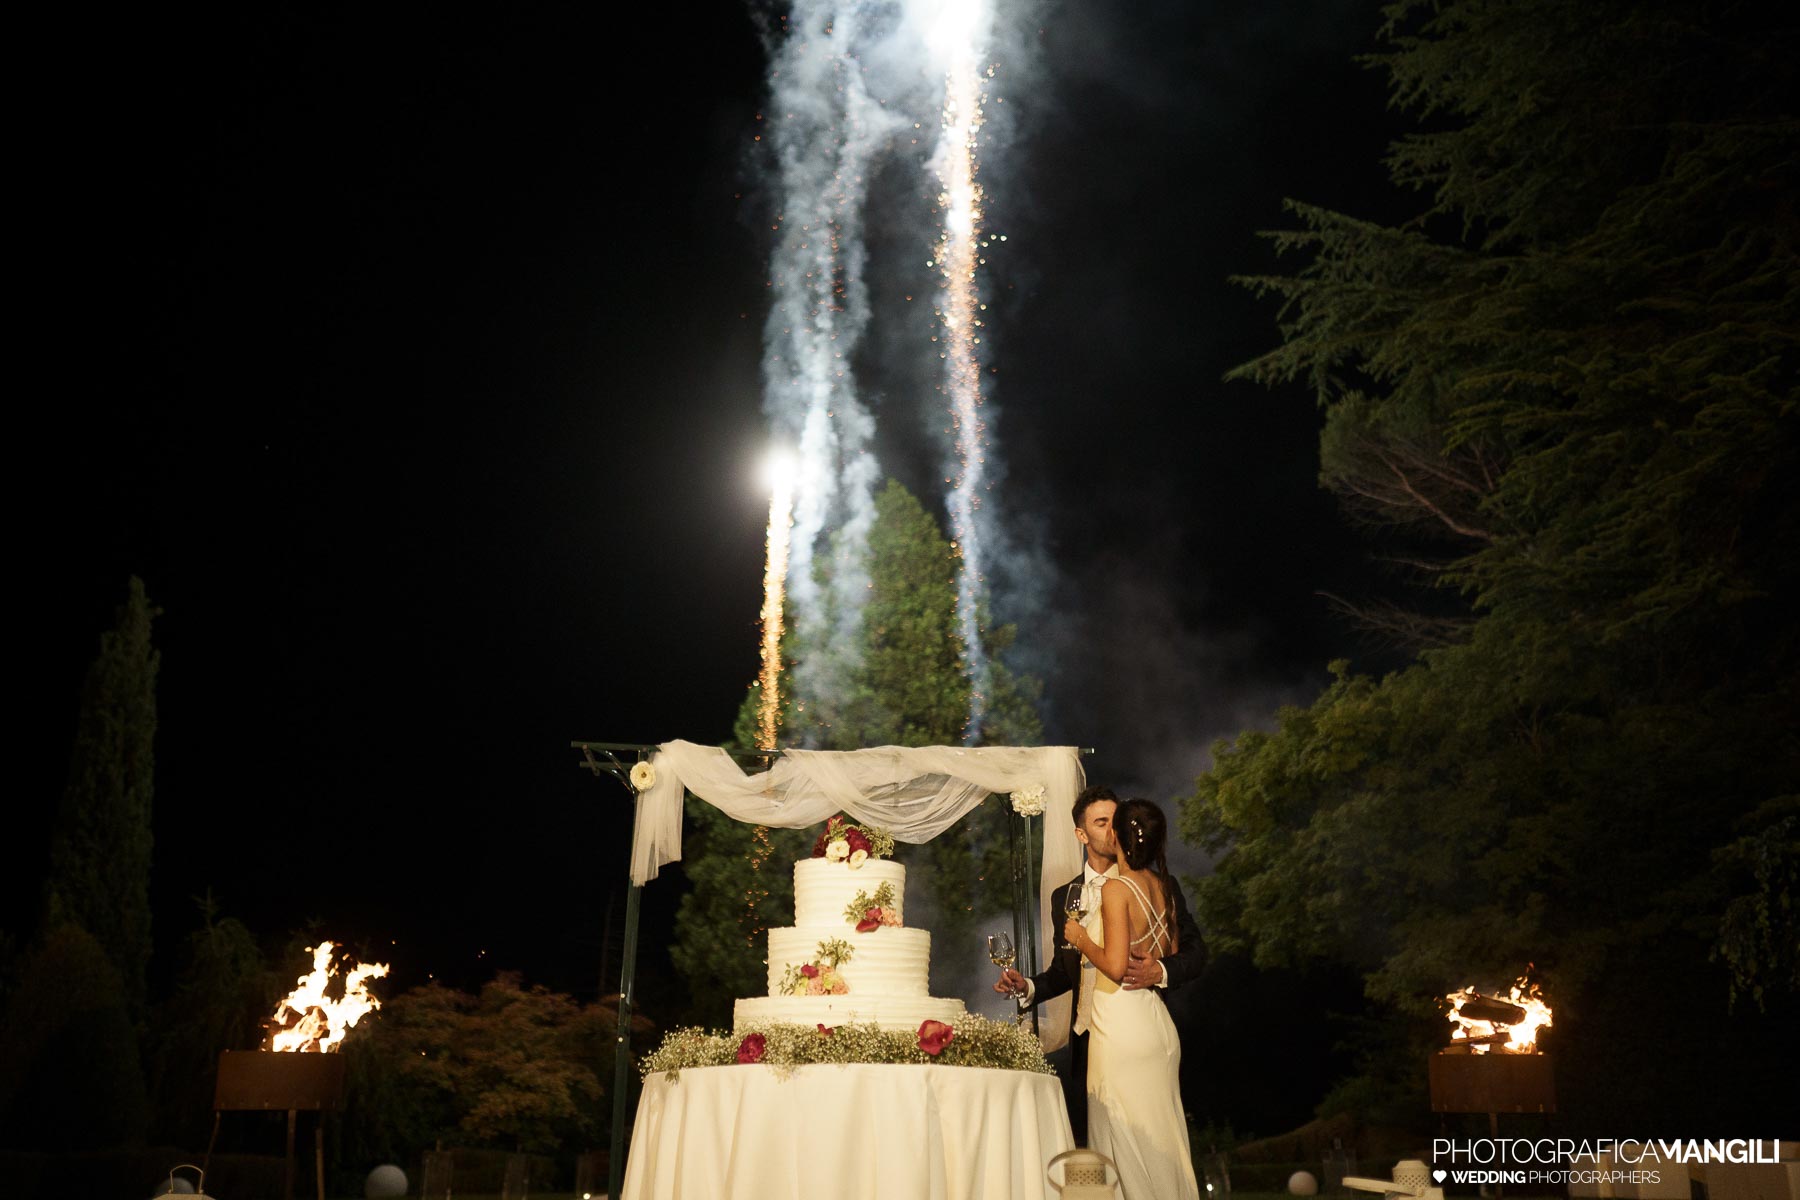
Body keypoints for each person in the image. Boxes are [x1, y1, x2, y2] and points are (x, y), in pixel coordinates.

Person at [993, 786, 1204, 1142]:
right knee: (1099, 1144)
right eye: (1101, 822)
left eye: (1115, 820)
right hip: (1088, 1036)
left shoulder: (1160, 885)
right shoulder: (1066, 895)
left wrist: (1161, 970)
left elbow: (1197, 952)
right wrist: (1027, 986)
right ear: (1081, 834)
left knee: (1144, 1134)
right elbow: (1065, 970)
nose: (1112, 830)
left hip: (1134, 1026)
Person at [1062, 798, 1201, 1199]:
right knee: (1164, 1136)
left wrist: (1082, 939)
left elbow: (1117, 965)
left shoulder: (1116, 888)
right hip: (1155, 1024)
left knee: (1122, 1134)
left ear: (1120, 836)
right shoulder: (1161, 885)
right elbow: (1170, 948)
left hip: (1121, 1025)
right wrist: (1154, 963)